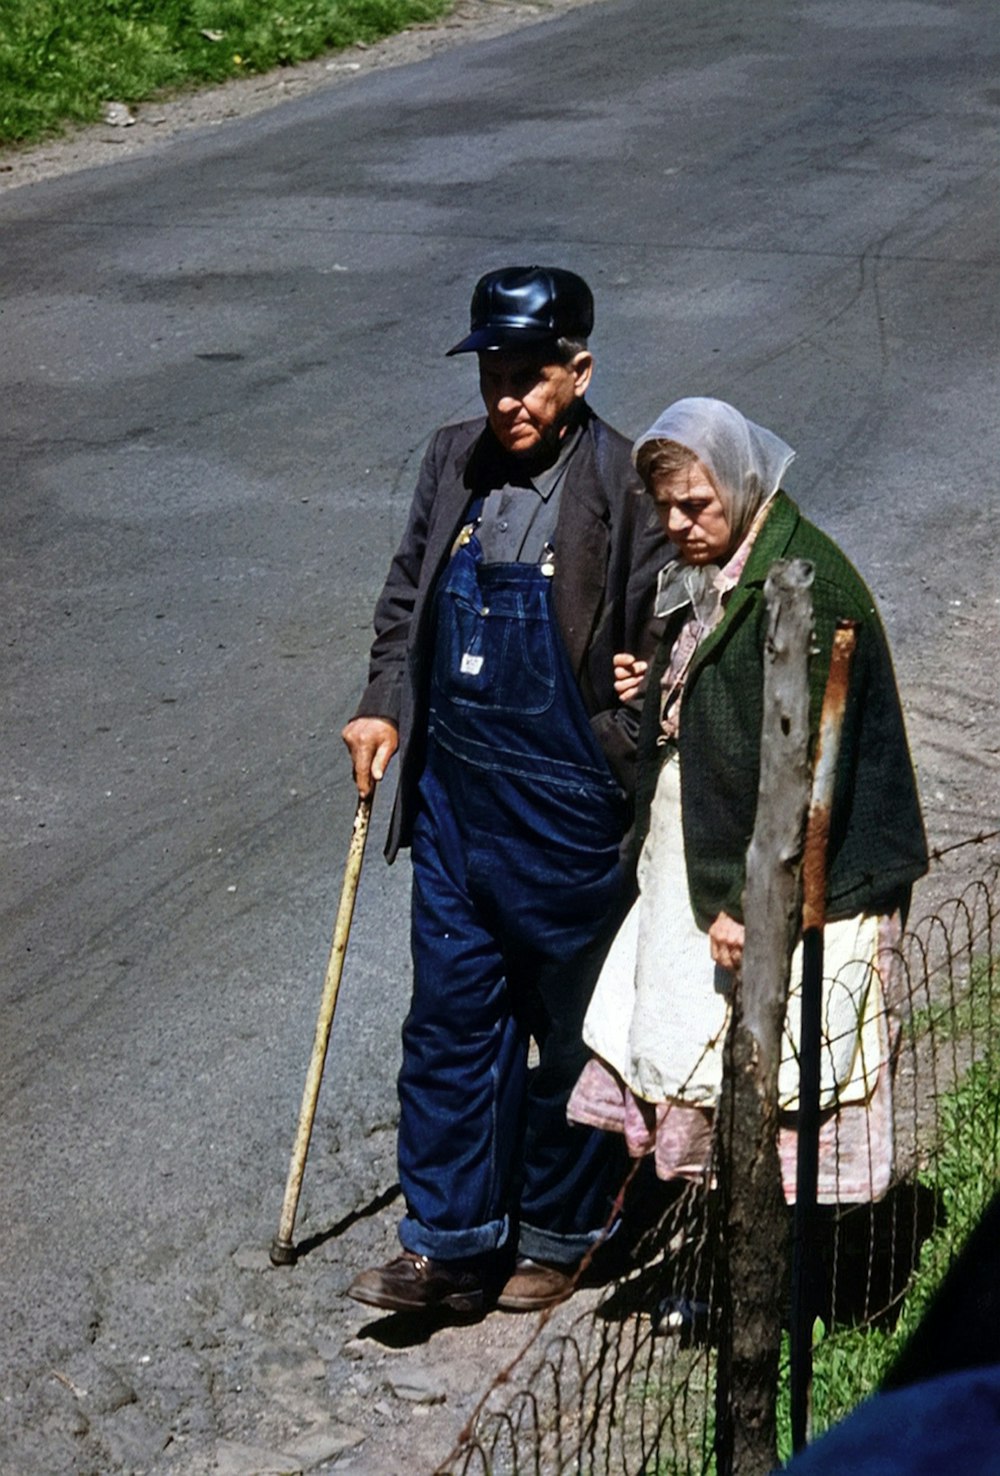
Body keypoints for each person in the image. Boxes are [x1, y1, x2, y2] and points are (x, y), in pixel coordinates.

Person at [341, 266, 669, 1315]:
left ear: (578, 371)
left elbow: (667, 627)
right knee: (448, 1019)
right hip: (452, 797)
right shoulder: (452, 460)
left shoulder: (624, 482)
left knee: (570, 1033)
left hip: (569, 806)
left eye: (529, 379)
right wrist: (384, 703)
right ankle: (448, 1242)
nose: (507, 402)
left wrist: (636, 701)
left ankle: (562, 1231)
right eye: (493, 376)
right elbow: (406, 597)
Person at [568, 397, 929, 1204]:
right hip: (711, 859)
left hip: (791, 876)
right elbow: (723, 684)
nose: (678, 524)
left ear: (741, 481)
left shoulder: (802, 585)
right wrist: (662, 683)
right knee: (713, 1065)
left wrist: (750, 902)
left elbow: (807, 768)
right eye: (664, 508)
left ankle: (798, 1285)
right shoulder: (721, 565)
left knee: (786, 1071)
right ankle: (729, 1252)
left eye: (695, 504)